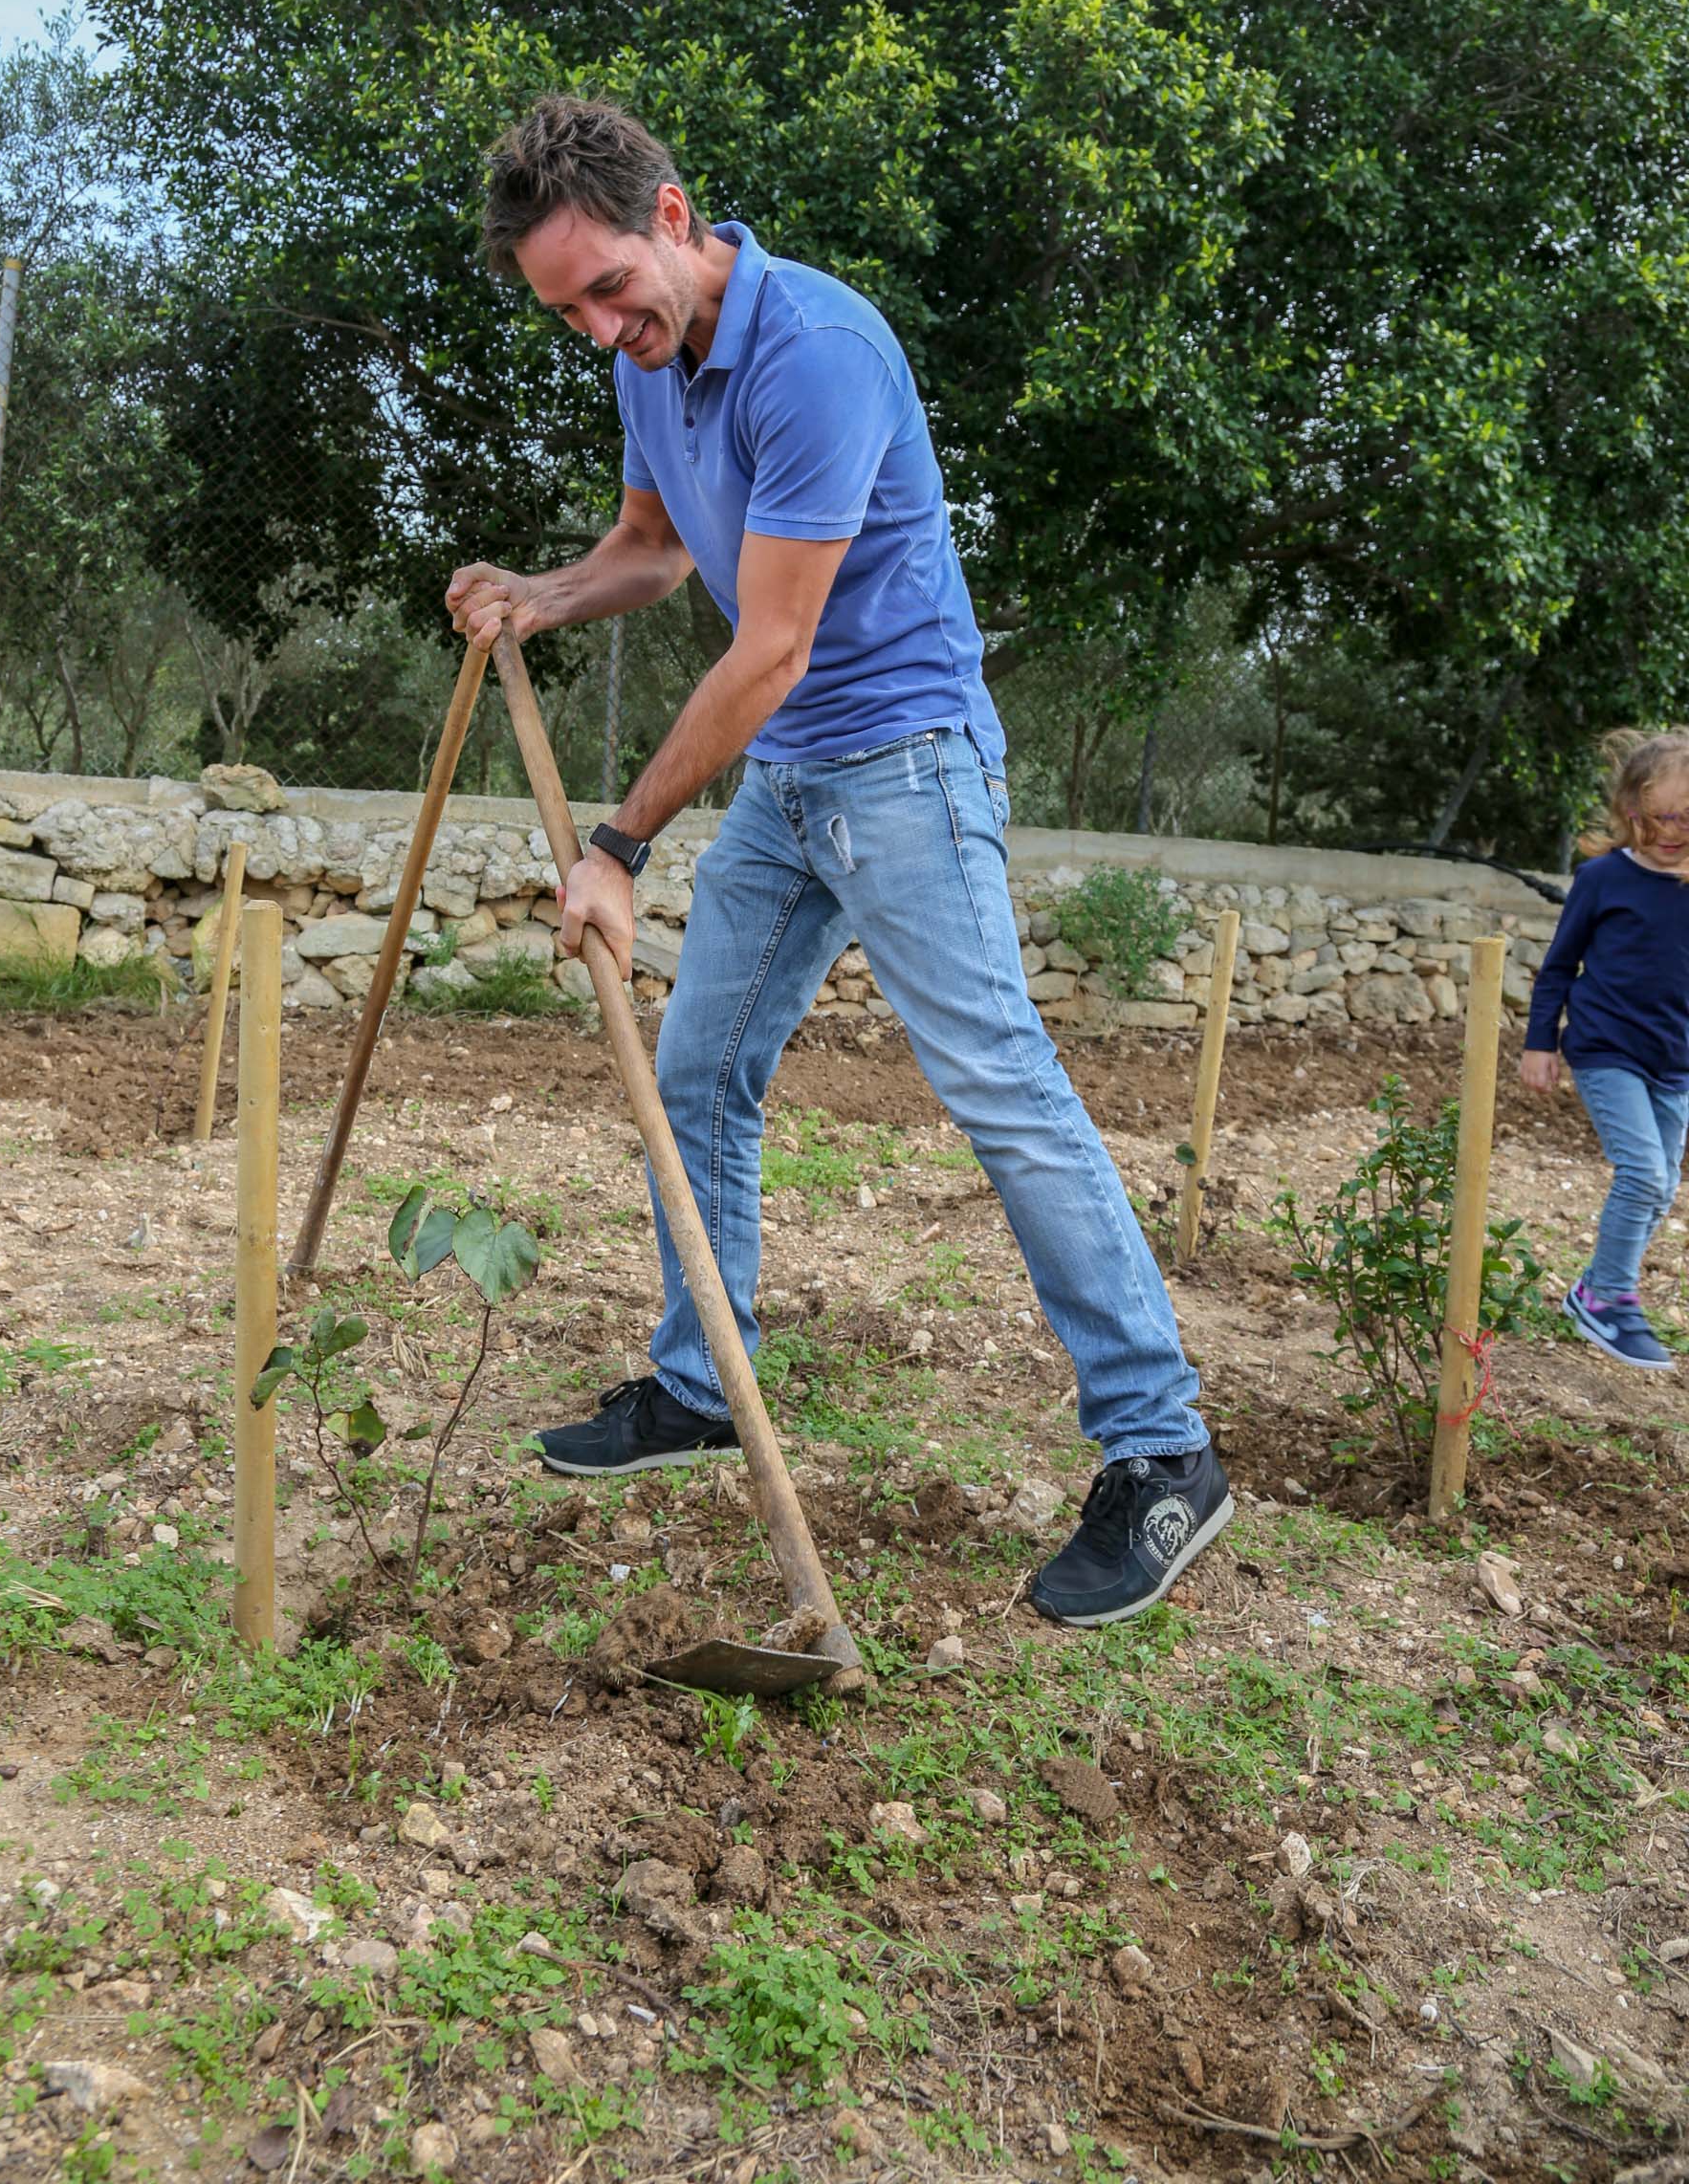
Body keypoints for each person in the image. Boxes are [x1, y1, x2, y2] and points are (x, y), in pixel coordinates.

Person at [447, 96, 1231, 1626]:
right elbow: (658, 554)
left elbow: (777, 646)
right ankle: (701, 1385)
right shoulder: (653, 363)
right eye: (571, 314)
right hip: (797, 780)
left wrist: (617, 842)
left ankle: (1164, 1453)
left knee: (999, 1082)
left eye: (610, 288)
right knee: (699, 1071)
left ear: (672, 218)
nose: (603, 329)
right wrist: (539, 594)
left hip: (907, 763)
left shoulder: (816, 352)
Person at [1523, 728, 1689, 1371]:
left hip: (1674, 1061)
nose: (1673, 831)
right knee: (1643, 1172)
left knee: (1664, 1186)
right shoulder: (1602, 879)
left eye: (1686, 818)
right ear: (1630, 812)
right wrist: (1542, 1044)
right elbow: (1559, 966)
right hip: (1605, 1049)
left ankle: (1592, 1285)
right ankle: (1612, 1298)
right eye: (1659, 818)